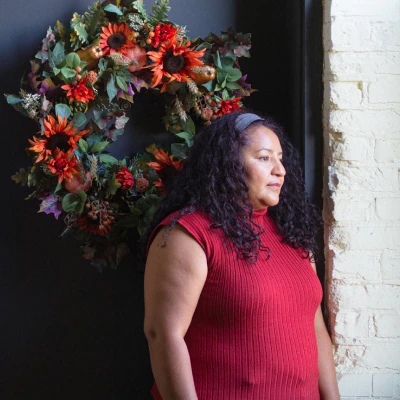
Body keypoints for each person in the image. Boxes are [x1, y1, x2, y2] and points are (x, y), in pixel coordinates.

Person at [143, 112, 340, 399]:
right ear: (229, 165)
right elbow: (163, 336)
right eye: (264, 158)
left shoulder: (292, 234)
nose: (280, 170)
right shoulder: (187, 235)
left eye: (280, 157)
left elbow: (316, 329)